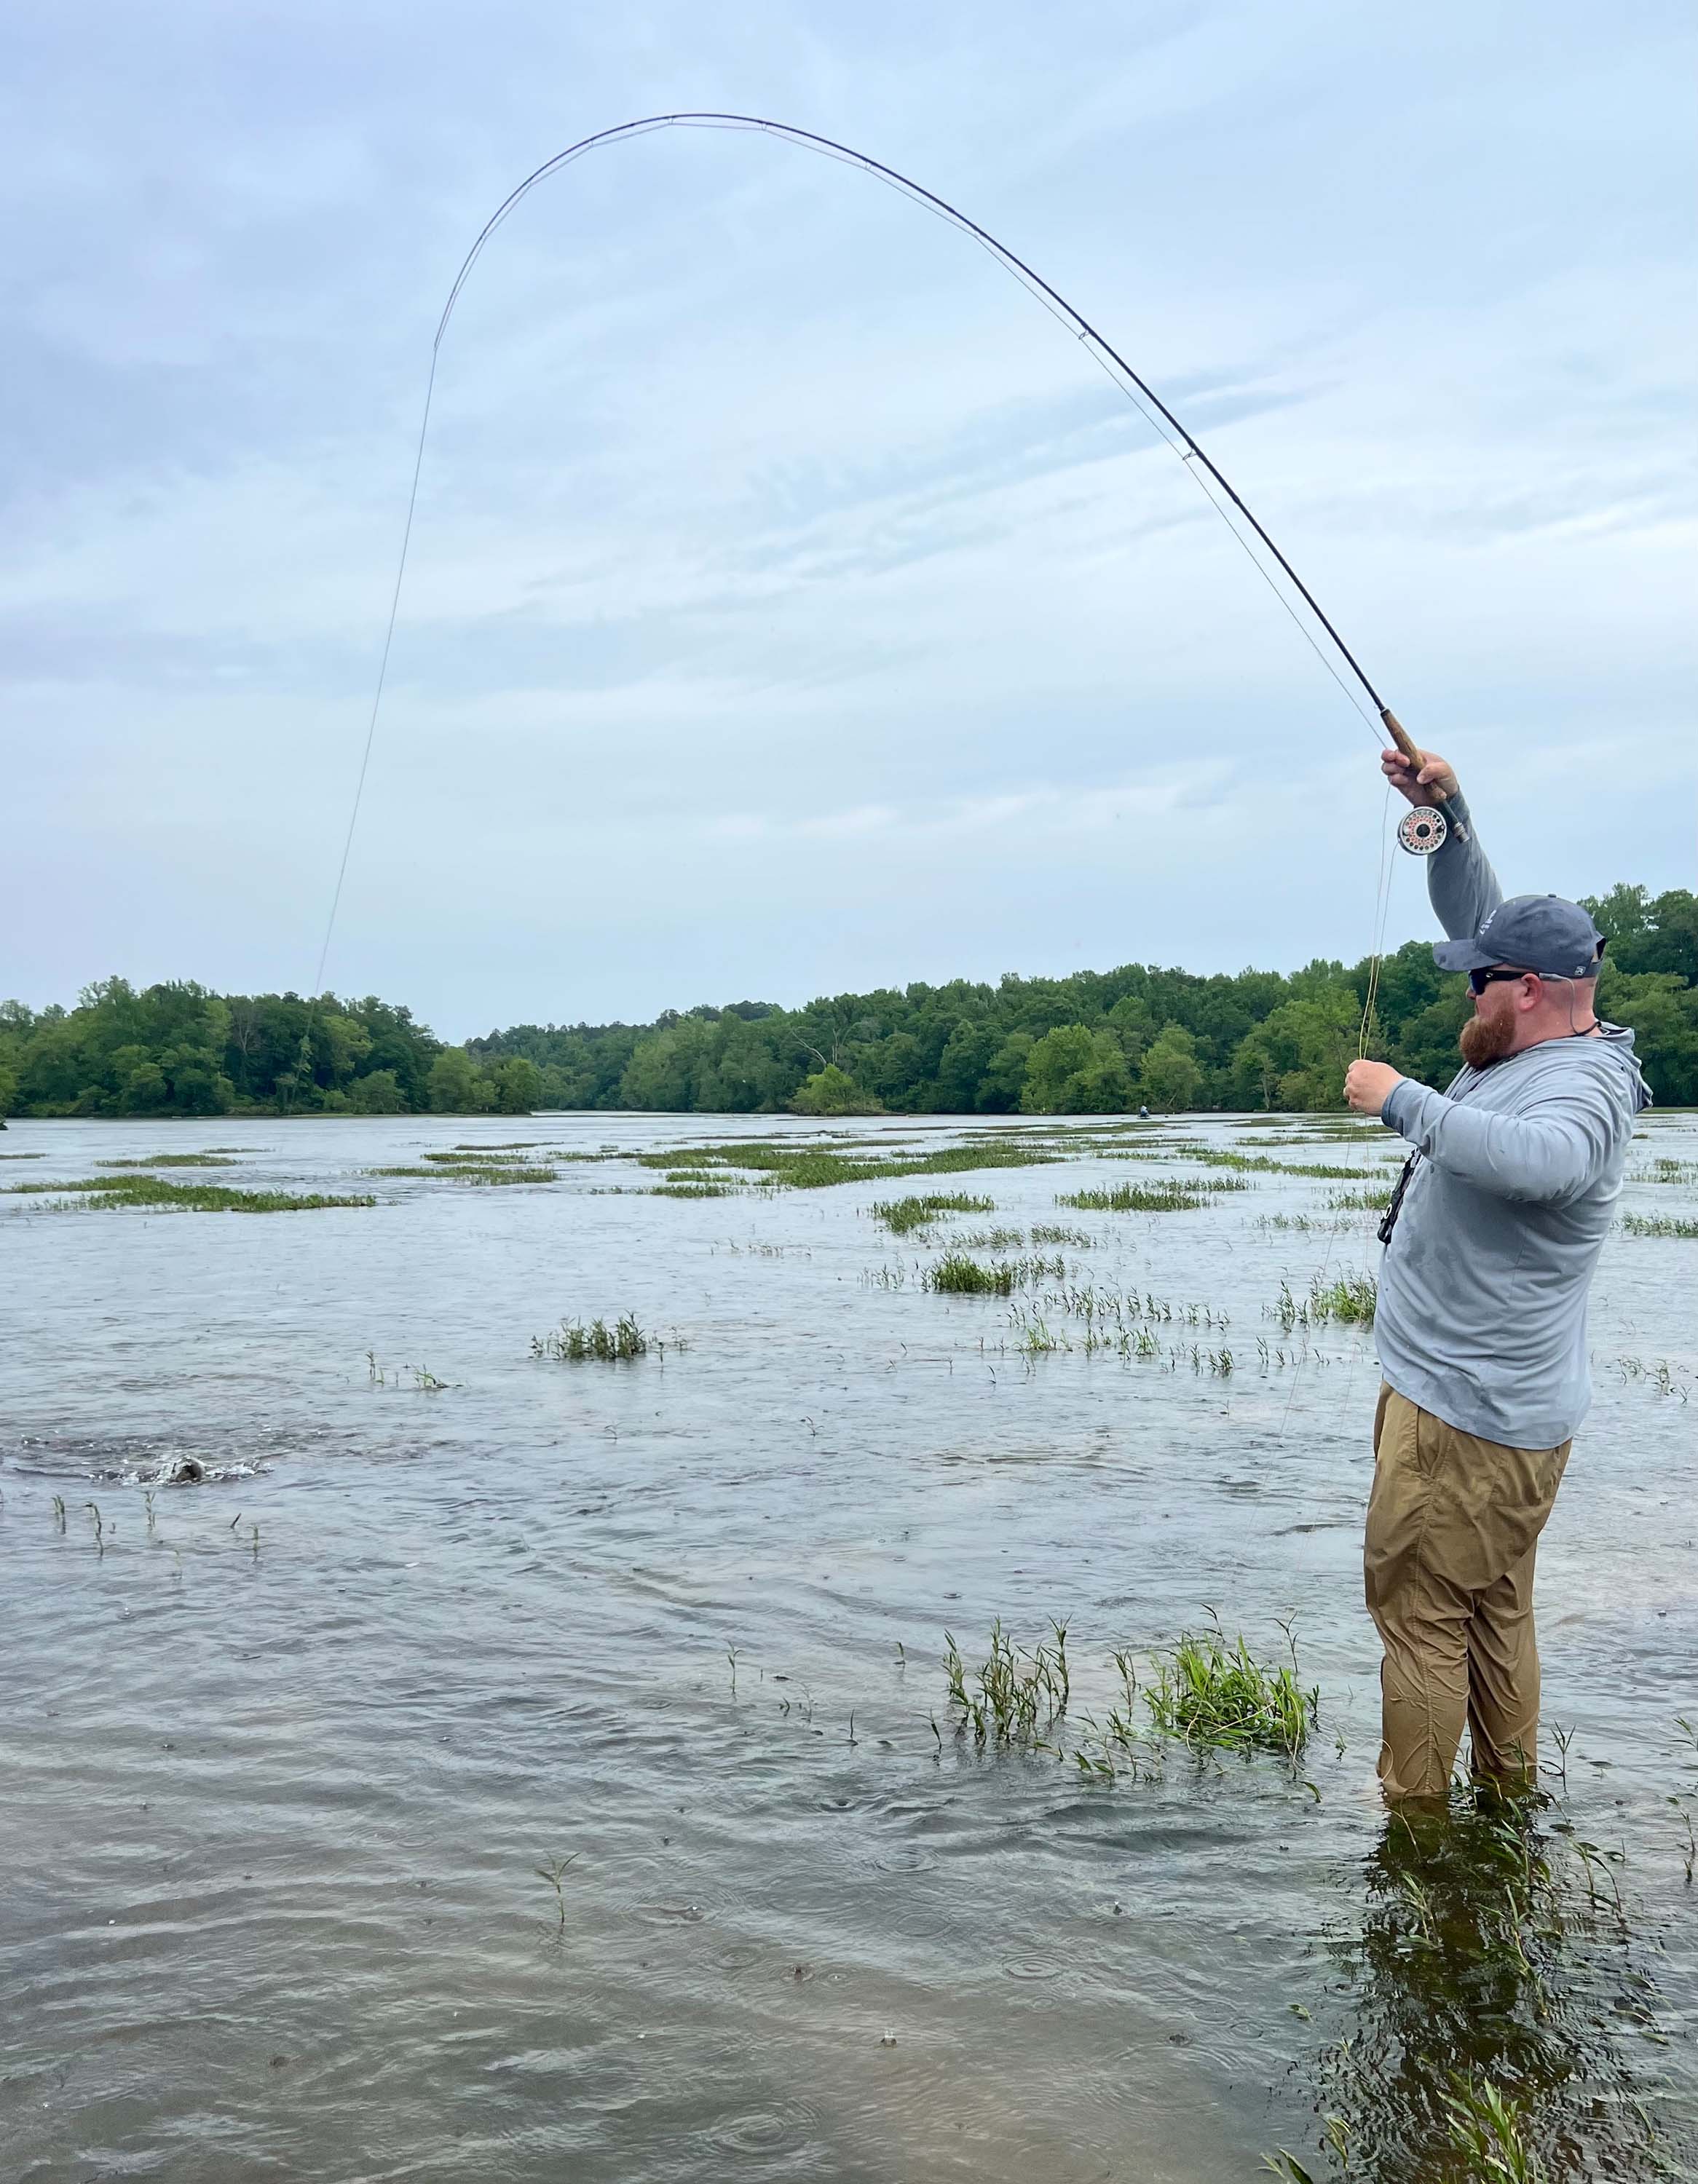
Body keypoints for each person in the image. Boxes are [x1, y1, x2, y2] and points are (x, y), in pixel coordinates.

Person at [1341, 744, 1649, 1806]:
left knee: (1422, 1615)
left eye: (1477, 976)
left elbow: (1546, 1167)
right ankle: (1508, 1811)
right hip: (1492, 1411)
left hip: (1466, 1421)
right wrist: (1449, 811)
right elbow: (1479, 908)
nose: (1459, 985)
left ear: (1526, 991)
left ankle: (1419, 1833)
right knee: (1490, 1607)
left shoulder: (1587, 1091)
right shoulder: (1529, 1047)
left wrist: (1403, 1098)